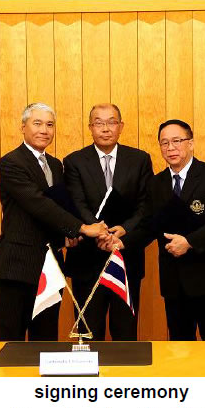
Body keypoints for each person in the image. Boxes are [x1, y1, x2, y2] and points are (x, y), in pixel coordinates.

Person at [100, 119, 205, 340]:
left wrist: (189, 242)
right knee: (180, 351)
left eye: (177, 141)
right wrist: (122, 242)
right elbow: (149, 226)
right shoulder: (157, 183)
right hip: (175, 282)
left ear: (190, 143)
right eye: (164, 143)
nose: (170, 148)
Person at [0, 103, 107, 341]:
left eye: (50, 125)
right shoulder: (11, 162)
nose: (44, 130)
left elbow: (57, 208)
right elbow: (38, 204)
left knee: (45, 340)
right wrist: (82, 228)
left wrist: (66, 236)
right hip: (18, 265)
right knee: (13, 341)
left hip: (51, 265)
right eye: (37, 123)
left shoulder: (55, 165)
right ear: (23, 127)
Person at [63, 104, 153, 340]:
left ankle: (125, 378)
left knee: (125, 334)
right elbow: (77, 203)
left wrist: (125, 229)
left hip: (126, 258)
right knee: (88, 334)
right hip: (87, 260)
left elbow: (146, 204)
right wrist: (100, 231)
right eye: (99, 123)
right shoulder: (73, 161)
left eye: (111, 122)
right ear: (90, 127)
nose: (105, 128)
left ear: (121, 127)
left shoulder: (140, 159)